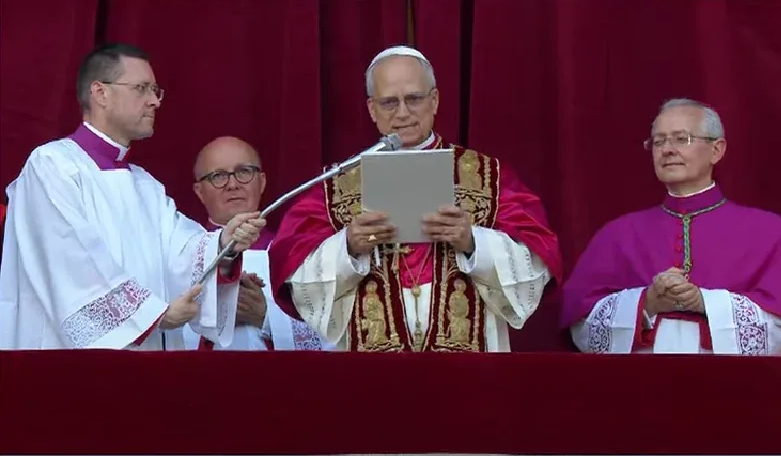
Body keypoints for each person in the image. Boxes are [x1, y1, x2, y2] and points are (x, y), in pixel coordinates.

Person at [267, 45, 563, 352]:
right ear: (372, 109)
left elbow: (538, 262)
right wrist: (348, 247)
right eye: (389, 102)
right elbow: (294, 271)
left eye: (414, 99)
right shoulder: (336, 184)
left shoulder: (487, 176)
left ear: (434, 101)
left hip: (467, 367)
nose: (403, 113)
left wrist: (474, 243)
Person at [0, 43, 266, 350]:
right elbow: (70, 263)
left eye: (156, 91)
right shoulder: (52, 166)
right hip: (70, 361)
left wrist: (223, 244)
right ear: (101, 93)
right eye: (142, 89)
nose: (155, 101)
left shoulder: (145, 185)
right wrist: (152, 316)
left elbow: (180, 251)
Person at [561, 98, 781, 355]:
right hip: (639, 376)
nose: (667, 150)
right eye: (658, 141)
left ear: (716, 150)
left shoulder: (767, 231)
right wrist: (647, 302)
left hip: (728, 377)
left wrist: (704, 302)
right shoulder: (617, 234)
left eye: (682, 139)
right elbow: (581, 320)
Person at [183, 136, 330, 351]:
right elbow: (162, 332)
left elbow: (333, 335)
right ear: (199, 191)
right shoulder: (180, 252)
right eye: (218, 176)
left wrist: (266, 317)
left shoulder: (297, 253)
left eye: (244, 172)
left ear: (262, 182)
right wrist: (216, 308)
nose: (232, 184)